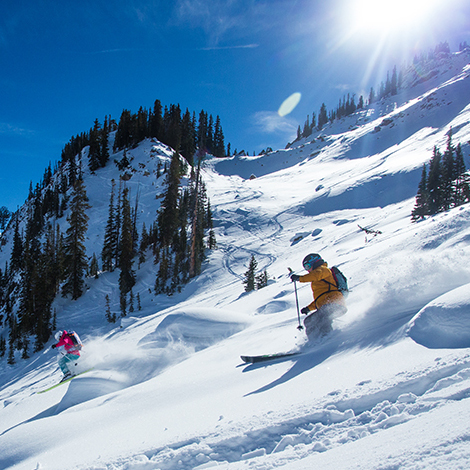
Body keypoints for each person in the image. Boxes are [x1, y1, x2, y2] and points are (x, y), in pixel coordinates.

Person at [290, 253, 347, 340]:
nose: (307, 270)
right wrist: (308, 308)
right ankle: (314, 341)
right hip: (326, 305)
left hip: (335, 304)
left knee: (324, 316)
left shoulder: (324, 270)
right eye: (306, 268)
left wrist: (300, 278)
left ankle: (327, 338)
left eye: (308, 266)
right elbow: (320, 299)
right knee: (309, 321)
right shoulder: (317, 279)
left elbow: (316, 275)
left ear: (314, 262)